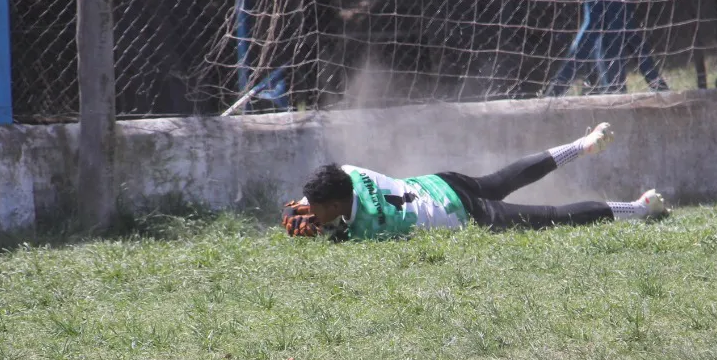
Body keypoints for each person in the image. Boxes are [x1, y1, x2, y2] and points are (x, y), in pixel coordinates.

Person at [281, 123, 669, 241]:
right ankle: (583, 145)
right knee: (506, 176)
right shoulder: (351, 173)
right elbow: (333, 184)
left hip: (463, 212)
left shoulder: (368, 230)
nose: (310, 213)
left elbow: (341, 237)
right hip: (444, 181)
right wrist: (309, 202)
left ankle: (638, 209)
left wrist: (319, 235)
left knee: (551, 216)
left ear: (333, 206)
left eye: (316, 209)